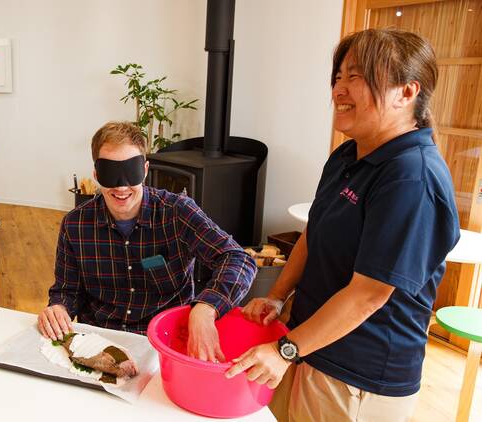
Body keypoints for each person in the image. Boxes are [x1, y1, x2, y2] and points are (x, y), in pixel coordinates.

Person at [226, 28, 460, 421]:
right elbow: (313, 232)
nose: (339, 89)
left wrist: (286, 350)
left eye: (358, 77)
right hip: (306, 346)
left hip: (358, 377)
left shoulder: (410, 177)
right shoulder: (347, 154)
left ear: (407, 93)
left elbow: (369, 294)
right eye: (339, 77)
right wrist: (278, 296)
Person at [38, 122, 257, 361]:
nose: (121, 186)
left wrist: (205, 308)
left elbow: (238, 258)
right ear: (96, 175)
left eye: (130, 172)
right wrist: (59, 308)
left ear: (144, 169)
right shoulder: (75, 224)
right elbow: (67, 290)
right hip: (100, 343)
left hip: (164, 342)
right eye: (110, 173)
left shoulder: (177, 212)